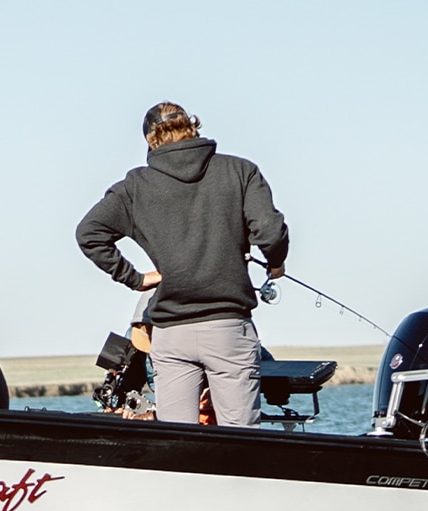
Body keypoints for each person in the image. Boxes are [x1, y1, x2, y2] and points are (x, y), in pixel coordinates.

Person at [75, 103, 289, 427]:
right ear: (192, 127)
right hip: (228, 329)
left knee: (177, 444)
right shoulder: (240, 172)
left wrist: (136, 279)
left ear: (150, 140)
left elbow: (89, 233)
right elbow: (271, 232)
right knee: (242, 442)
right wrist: (275, 263)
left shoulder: (135, 187)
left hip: (171, 334)